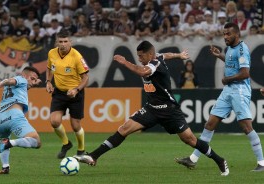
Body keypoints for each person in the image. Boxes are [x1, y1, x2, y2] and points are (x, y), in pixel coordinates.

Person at [75, 40, 229, 176]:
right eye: (138, 56)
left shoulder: (154, 63)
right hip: (152, 108)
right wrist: (179, 55)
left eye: (141, 56)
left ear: (149, 55)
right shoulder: (157, 57)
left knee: (190, 140)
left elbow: (142, 71)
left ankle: (220, 160)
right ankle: (93, 156)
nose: (139, 59)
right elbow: (166, 55)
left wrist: (125, 62)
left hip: (169, 110)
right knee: (124, 128)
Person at [175, 22, 264, 172]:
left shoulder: (242, 49)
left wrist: (227, 79)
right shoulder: (230, 48)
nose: (225, 37)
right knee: (209, 124)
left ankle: (262, 163)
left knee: (246, 127)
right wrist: (220, 55)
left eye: (228, 34)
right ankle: (193, 159)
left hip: (240, 90)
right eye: (224, 34)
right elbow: (232, 63)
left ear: (237, 34)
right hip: (228, 90)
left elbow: (245, 73)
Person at [0, 66, 42, 174]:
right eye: (32, 78)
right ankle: (10, 143)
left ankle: (5, 166)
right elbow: (10, 80)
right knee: (36, 141)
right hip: (14, 115)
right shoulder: (20, 79)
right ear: (24, 76)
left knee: (3, 139)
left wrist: (35, 82)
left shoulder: (20, 84)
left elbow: (18, 83)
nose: (33, 82)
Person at [46, 29, 89, 159]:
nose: (63, 44)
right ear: (56, 43)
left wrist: (76, 90)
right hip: (59, 92)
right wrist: (48, 81)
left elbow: (86, 78)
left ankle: (81, 149)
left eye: (66, 41)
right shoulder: (52, 53)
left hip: (75, 93)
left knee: (75, 125)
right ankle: (66, 143)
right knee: (54, 121)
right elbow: (49, 68)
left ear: (70, 42)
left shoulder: (76, 56)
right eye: (60, 41)